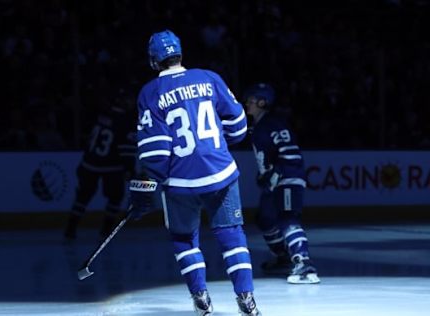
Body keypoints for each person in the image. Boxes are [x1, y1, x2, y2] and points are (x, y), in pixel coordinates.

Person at [129, 30, 261, 315]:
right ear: (180, 53)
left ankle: (201, 298)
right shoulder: (209, 77)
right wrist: (213, 145)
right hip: (221, 172)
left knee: (184, 239)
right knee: (232, 234)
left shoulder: (151, 92)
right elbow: (239, 126)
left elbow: (156, 153)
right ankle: (246, 300)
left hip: (180, 181)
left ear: (153, 60)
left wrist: (150, 181)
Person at [244, 83, 320, 284]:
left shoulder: (272, 124)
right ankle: (284, 258)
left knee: (287, 218)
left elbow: (289, 153)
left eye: (251, 99)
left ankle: (304, 262)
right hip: (276, 180)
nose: (247, 103)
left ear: (262, 102)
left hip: (286, 178)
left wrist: (275, 174)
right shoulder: (260, 126)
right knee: (265, 219)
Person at [63, 96, 136, 240]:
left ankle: (70, 229)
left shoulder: (103, 115)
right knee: (115, 197)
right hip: (111, 166)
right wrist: (130, 170)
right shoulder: (125, 121)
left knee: (82, 197)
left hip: (88, 163)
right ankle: (106, 230)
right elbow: (126, 150)